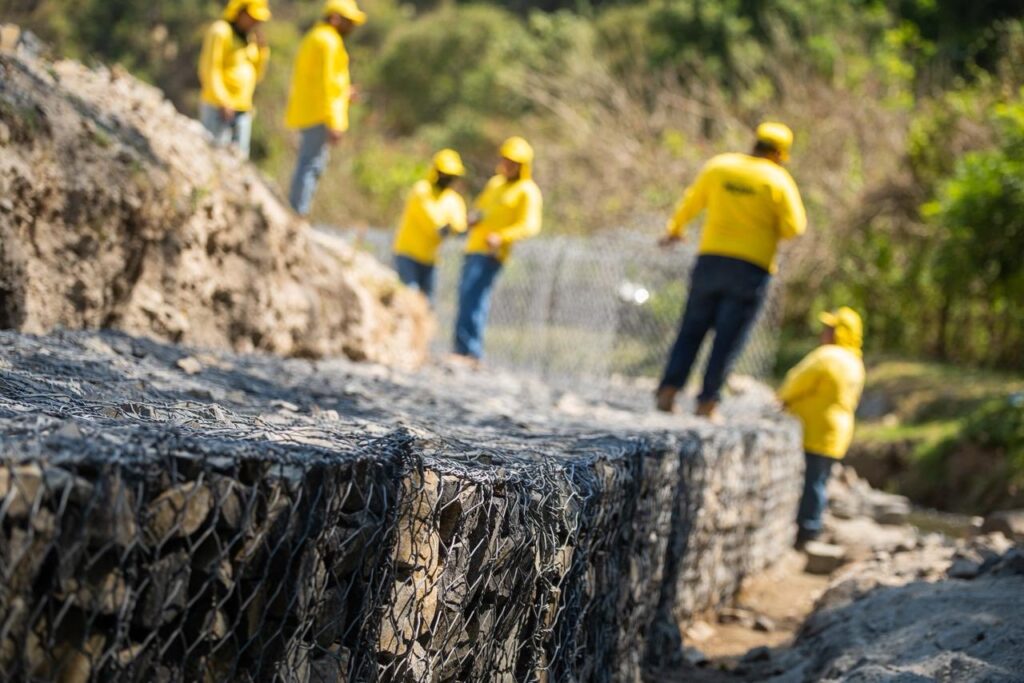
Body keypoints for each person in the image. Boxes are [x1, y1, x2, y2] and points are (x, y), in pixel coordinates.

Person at [656, 122, 807, 419]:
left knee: (692, 329)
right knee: (728, 337)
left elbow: (691, 201)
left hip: (710, 260)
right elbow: (794, 228)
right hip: (751, 267)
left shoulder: (720, 167)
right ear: (779, 153)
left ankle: (668, 391)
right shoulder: (778, 180)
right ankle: (707, 402)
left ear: (755, 142)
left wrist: (675, 229)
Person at [778, 307, 866, 547]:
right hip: (839, 430)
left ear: (839, 332)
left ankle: (808, 531)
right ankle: (812, 526)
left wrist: (782, 399)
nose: (823, 333)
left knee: (812, 481)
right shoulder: (856, 363)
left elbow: (797, 380)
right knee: (820, 480)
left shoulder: (827, 356)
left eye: (829, 328)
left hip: (818, 428)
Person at [453, 137, 543, 362]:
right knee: (466, 296)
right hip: (474, 247)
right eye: (506, 159)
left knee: (475, 297)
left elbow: (530, 225)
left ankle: (471, 351)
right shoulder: (495, 184)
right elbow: (481, 209)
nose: (508, 164)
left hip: (492, 253)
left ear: (523, 165)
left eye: (513, 161)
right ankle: (461, 349)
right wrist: (472, 219)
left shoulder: (527, 191)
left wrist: (502, 237)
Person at [285, 0, 366, 217]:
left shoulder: (318, 37)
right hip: (319, 114)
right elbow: (327, 85)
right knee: (311, 164)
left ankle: (298, 211)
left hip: (314, 110)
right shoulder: (328, 42)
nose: (352, 27)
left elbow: (327, 83)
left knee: (311, 163)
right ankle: (297, 213)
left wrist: (345, 93)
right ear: (335, 18)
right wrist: (334, 122)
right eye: (349, 22)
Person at [197, 0, 272, 159]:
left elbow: (257, 76)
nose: (256, 23)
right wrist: (223, 100)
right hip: (219, 107)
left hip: (243, 108)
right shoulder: (220, 31)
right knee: (213, 156)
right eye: (252, 17)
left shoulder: (250, 39)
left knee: (238, 163)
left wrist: (263, 52)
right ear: (239, 12)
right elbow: (210, 69)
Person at [392, 149, 469, 303]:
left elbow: (460, 226)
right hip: (408, 254)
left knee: (428, 303)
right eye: (444, 174)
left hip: (430, 258)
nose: (447, 178)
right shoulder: (422, 190)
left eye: (451, 176)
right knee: (410, 298)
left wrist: (454, 227)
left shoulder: (453, 199)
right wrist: (448, 226)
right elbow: (433, 223)